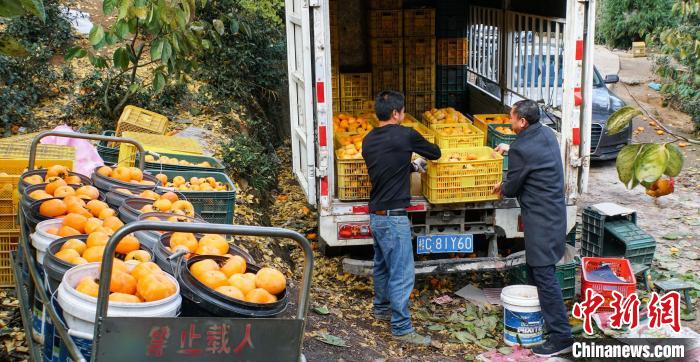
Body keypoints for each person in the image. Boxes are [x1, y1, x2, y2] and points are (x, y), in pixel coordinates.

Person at [492, 99, 573, 356]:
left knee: (544, 275)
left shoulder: (522, 149)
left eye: (512, 118)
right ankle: (534, 319)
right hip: (552, 214)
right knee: (535, 270)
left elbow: (513, 186)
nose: (509, 121)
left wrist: (502, 187)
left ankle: (561, 336)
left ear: (523, 122)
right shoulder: (544, 132)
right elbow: (527, 152)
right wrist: (511, 147)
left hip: (542, 220)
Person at [361, 90, 441, 345]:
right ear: (396, 113)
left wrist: (412, 166)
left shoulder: (368, 140)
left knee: (382, 265)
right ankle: (402, 328)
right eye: (403, 111)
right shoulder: (406, 134)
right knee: (402, 272)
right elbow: (435, 152)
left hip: (376, 214)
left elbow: (389, 166)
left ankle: (381, 309)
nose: (404, 115)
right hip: (395, 218)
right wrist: (420, 158)